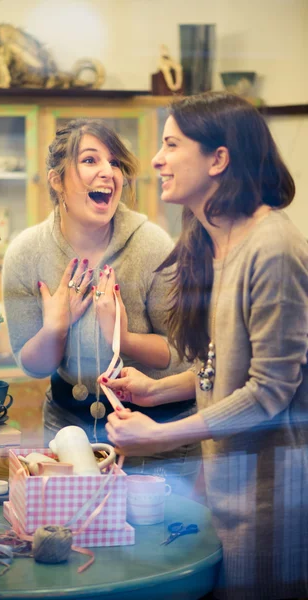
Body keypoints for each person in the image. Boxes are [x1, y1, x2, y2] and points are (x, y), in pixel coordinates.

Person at [102, 92, 308, 600]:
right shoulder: (217, 240)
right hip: (228, 487)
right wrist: (159, 390)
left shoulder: (274, 247)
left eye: (171, 144)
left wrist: (160, 437)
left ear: (218, 159)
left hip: (269, 503)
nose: (155, 159)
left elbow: (268, 391)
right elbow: (223, 367)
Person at [2, 118, 200, 492]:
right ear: (56, 180)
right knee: (72, 540)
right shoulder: (26, 253)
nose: (108, 173)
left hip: (154, 436)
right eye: (90, 160)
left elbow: (183, 354)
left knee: (152, 547)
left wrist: (122, 337)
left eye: (115, 163)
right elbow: (31, 365)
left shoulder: (152, 246)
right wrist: (55, 329)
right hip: (66, 434)